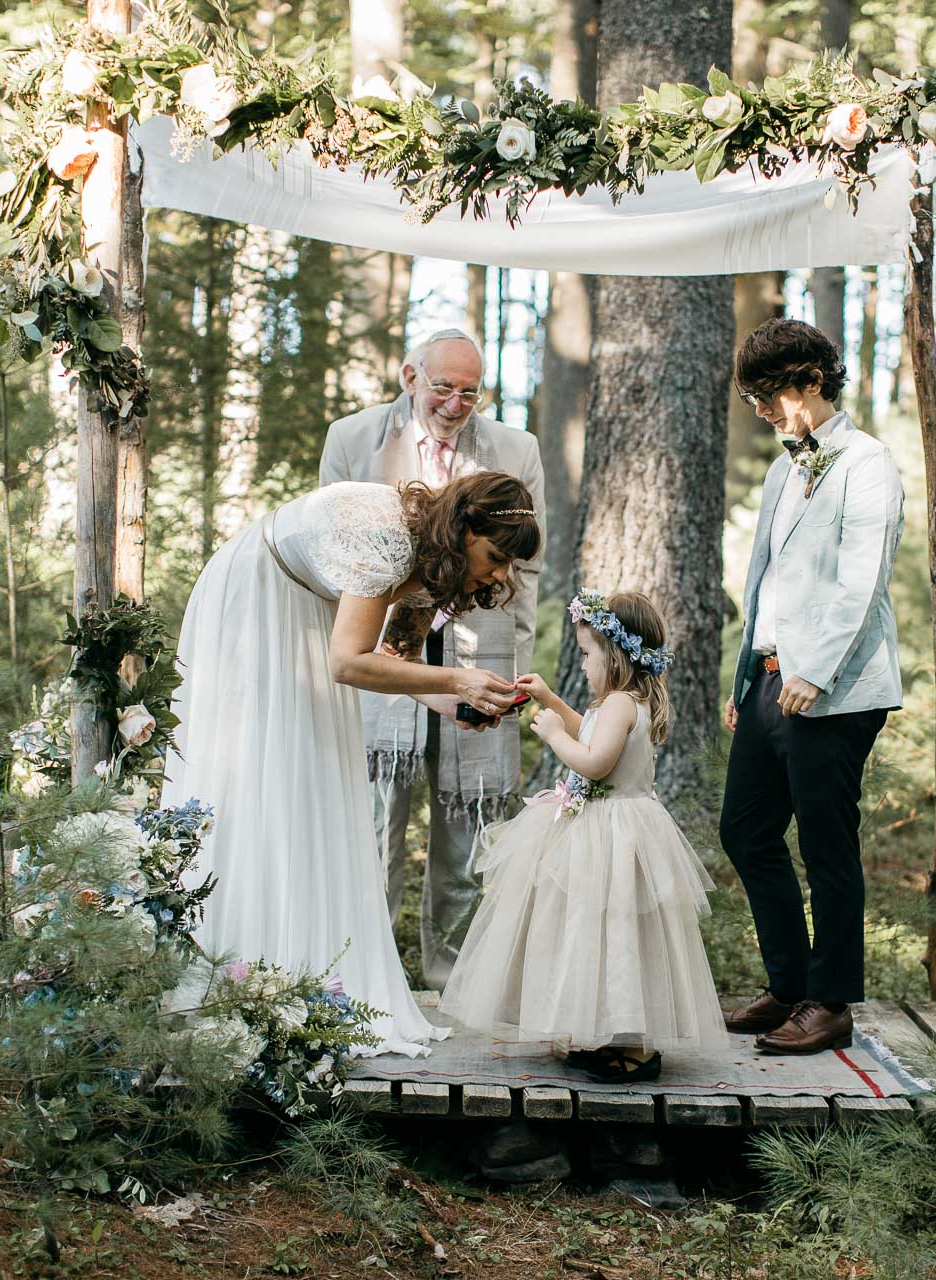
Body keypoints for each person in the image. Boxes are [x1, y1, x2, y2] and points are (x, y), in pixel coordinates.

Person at [163, 472, 539, 1056]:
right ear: (463, 531)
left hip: (306, 611)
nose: (498, 575)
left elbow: (394, 660)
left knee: (305, 784)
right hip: (255, 598)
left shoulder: (432, 565)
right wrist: (457, 674)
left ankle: (297, 970)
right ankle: (231, 964)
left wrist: (451, 702)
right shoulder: (385, 535)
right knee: (266, 776)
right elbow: (346, 663)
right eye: (494, 557)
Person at [320, 329, 545, 991]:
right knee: (376, 811)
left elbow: (522, 569)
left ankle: (453, 975)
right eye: (442, 387)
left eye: (469, 391)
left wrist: (514, 671)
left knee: (469, 819)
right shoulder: (352, 438)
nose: (455, 403)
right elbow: (337, 560)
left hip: (481, 639)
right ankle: (367, 971)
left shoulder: (517, 450)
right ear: (409, 377)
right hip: (382, 632)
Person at [440, 591, 724, 1083]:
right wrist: (552, 701)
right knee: (601, 934)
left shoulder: (617, 704)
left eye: (588, 654)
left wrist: (551, 735)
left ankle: (633, 1049)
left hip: (613, 832)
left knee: (614, 934)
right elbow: (592, 735)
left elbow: (595, 761)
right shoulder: (619, 702)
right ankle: (607, 1032)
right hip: (609, 828)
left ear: (614, 655)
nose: (584, 662)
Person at [718, 318, 905, 1055]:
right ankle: (788, 983)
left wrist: (814, 672)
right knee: (745, 830)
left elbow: (860, 583)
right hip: (769, 680)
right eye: (751, 397)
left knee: (828, 846)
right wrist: (747, 677)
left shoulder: (869, 463)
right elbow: (763, 579)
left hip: (835, 689)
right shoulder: (780, 469)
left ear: (812, 382)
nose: (761, 410)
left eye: (769, 394)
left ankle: (831, 1002)